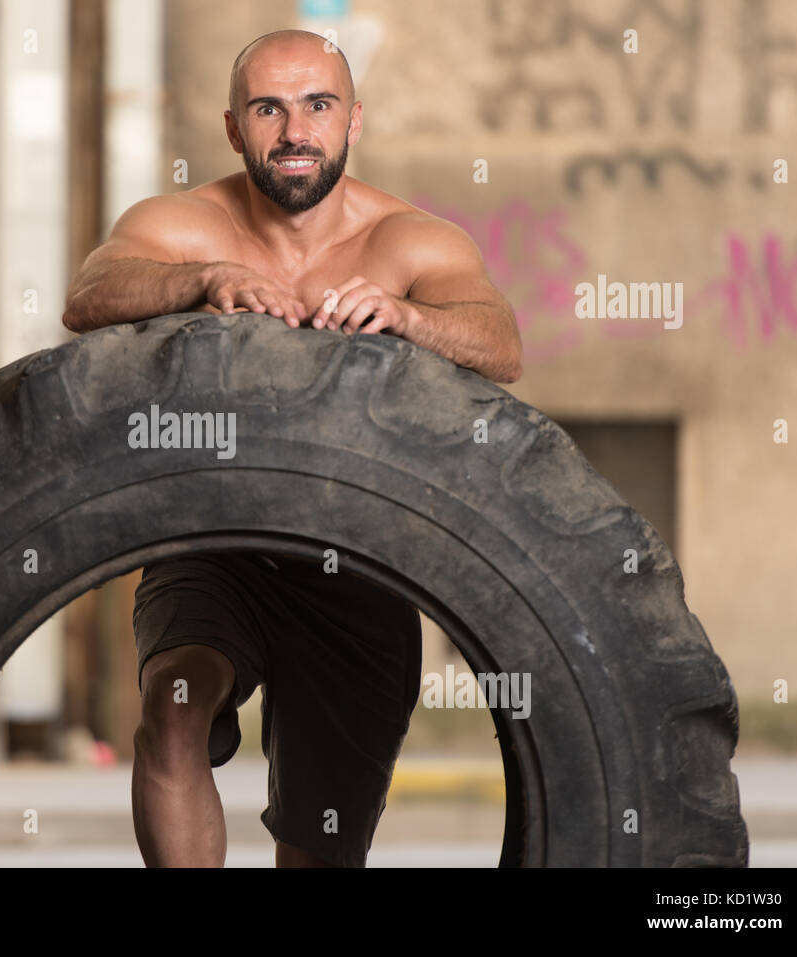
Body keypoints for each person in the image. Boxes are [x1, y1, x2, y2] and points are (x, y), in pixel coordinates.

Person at [62, 29, 523, 867]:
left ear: (354, 121)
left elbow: (501, 344)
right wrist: (197, 280)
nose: (295, 130)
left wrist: (413, 320)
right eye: (268, 108)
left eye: (318, 106)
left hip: (359, 562)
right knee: (172, 705)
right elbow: (90, 295)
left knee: (320, 848)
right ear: (235, 128)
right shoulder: (184, 221)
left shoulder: (412, 242)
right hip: (213, 537)